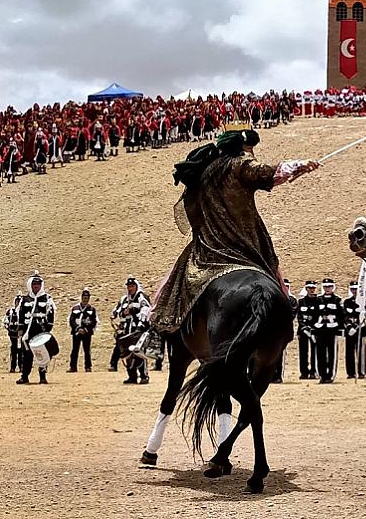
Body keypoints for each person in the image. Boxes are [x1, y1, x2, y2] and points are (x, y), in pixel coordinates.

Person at [147, 129, 318, 342]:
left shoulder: (206, 170)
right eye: (249, 148)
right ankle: (284, 319)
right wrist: (300, 164)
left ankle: (153, 337)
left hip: (209, 243)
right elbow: (267, 172)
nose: (251, 152)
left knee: (170, 286)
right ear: (240, 148)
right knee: (274, 273)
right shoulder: (239, 164)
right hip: (245, 242)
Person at [17, 272, 56, 385]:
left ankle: (42, 377)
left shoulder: (47, 298)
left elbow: (51, 314)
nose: (36, 286)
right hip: (27, 331)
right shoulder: (25, 299)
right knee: (26, 354)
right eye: (34, 284)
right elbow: (21, 314)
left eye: (38, 284)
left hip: (41, 330)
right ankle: (24, 376)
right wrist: (20, 329)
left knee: (42, 354)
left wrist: (48, 329)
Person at [112, 276, 151, 384]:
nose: (130, 288)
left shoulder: (141, 297)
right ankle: (132, 376)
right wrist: (123, 313)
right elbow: (116, 312)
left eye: (132, 286)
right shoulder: (124, 299)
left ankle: (144, 376)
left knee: (138, 352)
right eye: (129, 286)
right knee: (127, 352)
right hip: (126, 330)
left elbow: (146, 310)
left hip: (137, 329)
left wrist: (135, 315)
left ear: (136, 286)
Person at [313, 278, 345, 383]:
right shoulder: (318, 300)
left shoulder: (337, 300)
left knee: (332, 354)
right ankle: (322, 375)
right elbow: (314, 315)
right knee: (320, 353)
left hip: (332, 329)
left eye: (329, 286)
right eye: (325, 287)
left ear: (333, 287)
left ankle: (330, 375)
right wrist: (314, 328)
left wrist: (340, 328)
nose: (327, 288)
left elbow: (341, 316)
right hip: (320, 329)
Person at [68, 288, 98, 373]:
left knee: (87, 350)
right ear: (81, 298)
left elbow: (94, 321)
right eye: (84, 298)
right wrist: (77, 328)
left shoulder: (92, 309)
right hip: (76, 332)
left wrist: (85, 329)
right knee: (75, 350)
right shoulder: (75, 308)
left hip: (87, 333)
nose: (85, 300)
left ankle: (88, 367)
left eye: (87, 298)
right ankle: (73, 367)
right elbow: (71, 320)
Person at [296, 280, 320, 379]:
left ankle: (314, 371)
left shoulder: (319, 301)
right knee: (303, 352)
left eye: (313, 288)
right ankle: (304, 372)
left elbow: (319, 315)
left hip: (315, 330)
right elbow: (299, 316)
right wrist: (304, 327)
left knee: (315, 352)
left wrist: (313, 327)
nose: (311, 290)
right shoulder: (301, 301)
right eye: (310, 288)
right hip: (303, 330)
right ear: (306, 289)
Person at [343, 281, 366, 380]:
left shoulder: (363, 301)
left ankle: (361, 372)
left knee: (361, 352)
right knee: (349, 352)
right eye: (352, 289)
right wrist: (349, 327)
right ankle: (350, 372)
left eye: (356, 289)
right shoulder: (347, 302)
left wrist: (364, 313)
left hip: (360, 328)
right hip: (349, 330)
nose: (354, 291)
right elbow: (344, 315)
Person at [4, 294, 22, 372]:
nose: (18, 303)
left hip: (21, 335)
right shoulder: (10, 311)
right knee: (13, 350)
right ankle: (12, 367)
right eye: (17, 301)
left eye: (20, 302)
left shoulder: (24, 312)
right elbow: (5, 321)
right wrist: (8, 328)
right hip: (12, 334)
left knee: (21, 351)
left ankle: (21, 366)